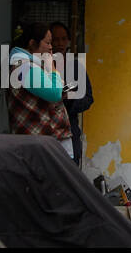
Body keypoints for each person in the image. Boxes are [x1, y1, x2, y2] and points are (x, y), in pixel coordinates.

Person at [7, 21, 74, 158]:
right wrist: (53, 69)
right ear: (32, 44)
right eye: (48, 43)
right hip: (38, 144)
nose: (51, 47)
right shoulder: (23, 66)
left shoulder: (32, 65)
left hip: (44, 142)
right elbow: (54, 94)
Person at [50, 22, 93, 168]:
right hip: (45, 133)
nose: (60, 43)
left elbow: (88, 98)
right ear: (49, 41)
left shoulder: (75, 66)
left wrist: (70, 97)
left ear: (68, 41)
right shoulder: (39, 67)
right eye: (56, 39)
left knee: (70, 181)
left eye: (63, 39)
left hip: (70, 132)